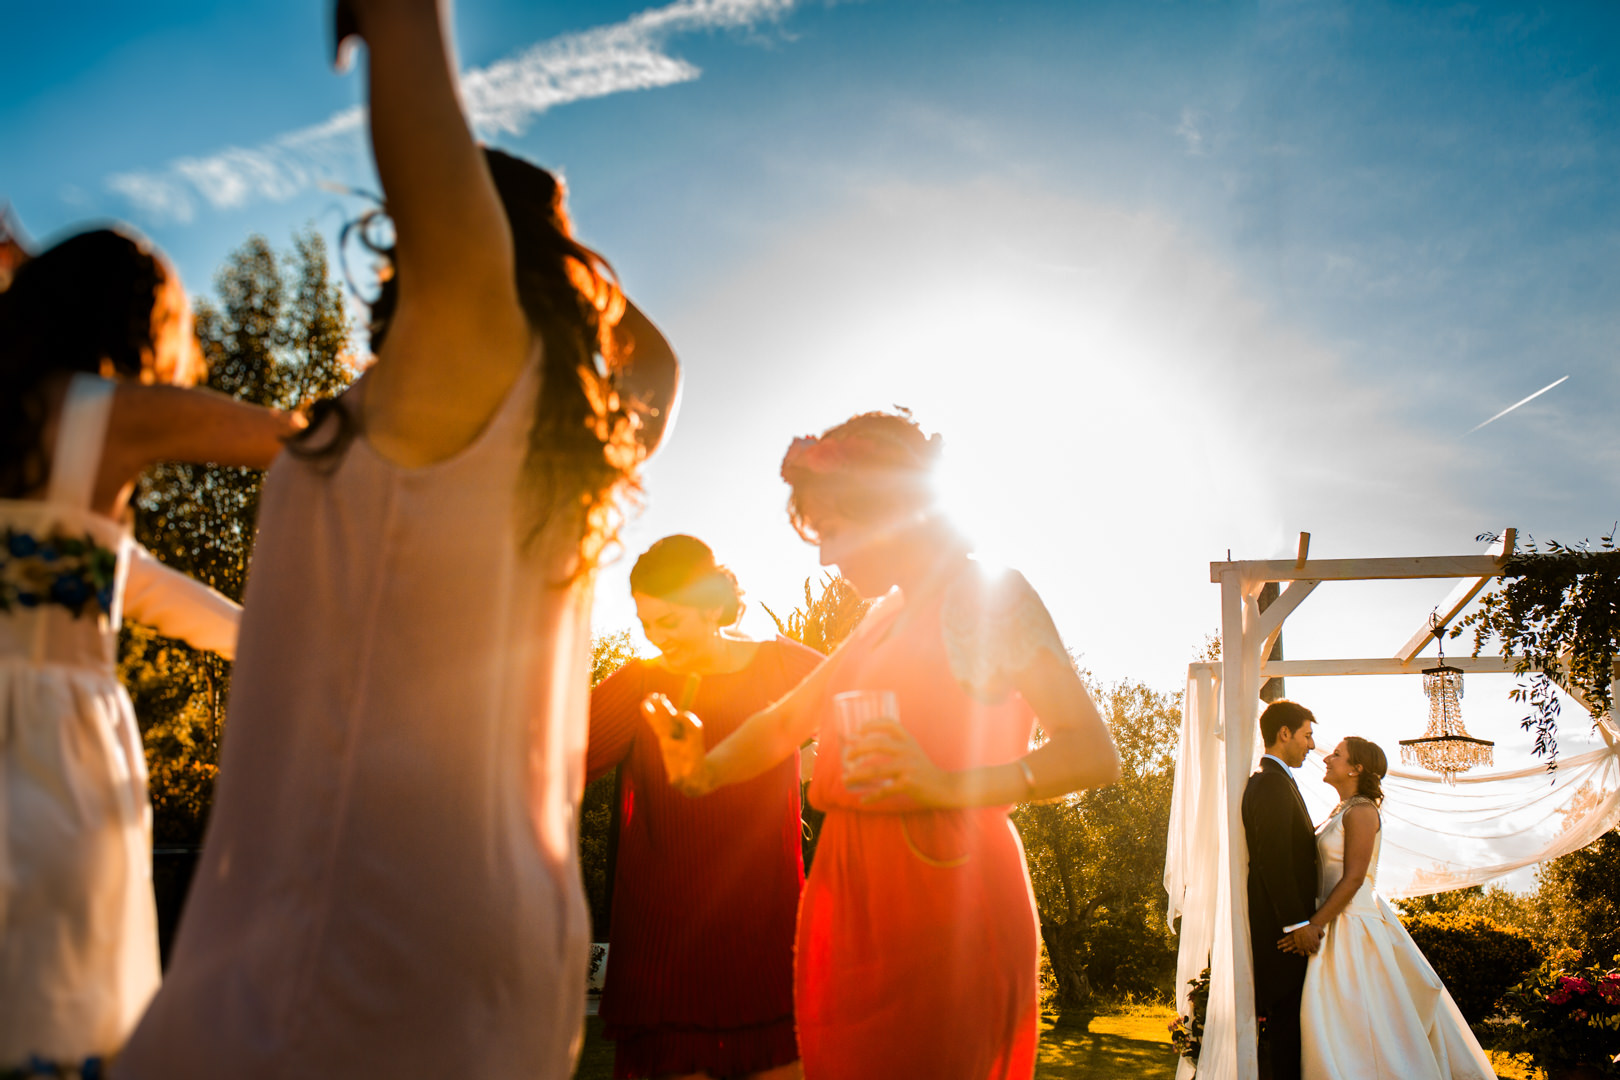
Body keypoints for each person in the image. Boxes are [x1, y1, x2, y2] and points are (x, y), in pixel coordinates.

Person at [117, 0, 679, 1075]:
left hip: (361, 915)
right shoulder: (577, 452)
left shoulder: (455, 384)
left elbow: (427, 144)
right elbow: (665, 368)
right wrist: (569, 267)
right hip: (510, 922)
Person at [643, 411, 1121, 1080]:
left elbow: (1093, 752)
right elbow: (786, 723)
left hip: (943, 894)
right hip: (847, 893)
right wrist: (702, 769)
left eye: (833, 530)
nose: (825, 556)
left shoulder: (989, 597)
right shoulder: (883, 616)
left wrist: (944, 784)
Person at [0, 226, 301, 1071]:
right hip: (48, 753)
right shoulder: (105, 414)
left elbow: (158, 592)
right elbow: (298, 438)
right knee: (50, 1007)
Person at [587, 535, 822, 1080]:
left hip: (768, 939)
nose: (656, 638)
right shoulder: (640, 685)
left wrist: (801, 769)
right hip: (665, 951)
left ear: (713, 606)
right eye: (647, 624)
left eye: (669, 622)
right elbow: (553, 766)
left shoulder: (781, 665)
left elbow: (867, 710)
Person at [1291, 737, 1495, 1080]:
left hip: (1351, 924)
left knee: (1363, 1019)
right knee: (1337, 1018)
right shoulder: (1341, 810)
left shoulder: (1362, 811)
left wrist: (1315, 924)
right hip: (1334, 918)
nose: (1327, 758)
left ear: (1356, 768)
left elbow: (1355, 878)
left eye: (1337, 755)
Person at [1241, 699, 1320, 1080]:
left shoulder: (1280, 780)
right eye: (1307, 735)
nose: (1311, 744)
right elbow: (1273, 859)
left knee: (1292, 1027)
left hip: (1287, 928)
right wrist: (1295, 924)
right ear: (1284, 733)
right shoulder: (1270, 783)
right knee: (1285, 1028)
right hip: (1281, 934)